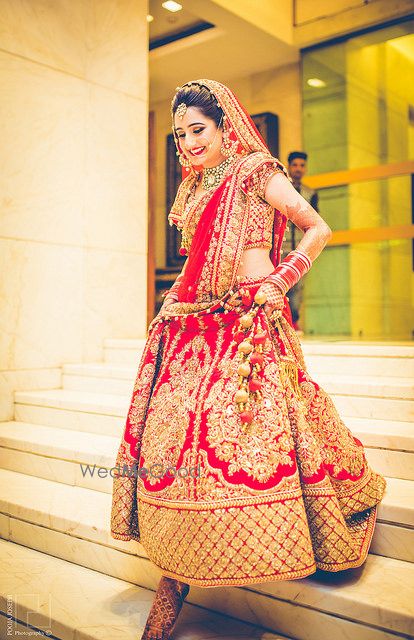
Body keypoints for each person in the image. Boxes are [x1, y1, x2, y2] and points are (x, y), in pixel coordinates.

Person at [110, 79, 386, 640]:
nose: (188, 143)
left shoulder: (256, 171)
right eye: (180, 134)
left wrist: (282, 279)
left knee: (250, 441)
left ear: (223, 126)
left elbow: (318, 228)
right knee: (172, 447)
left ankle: (269, 540)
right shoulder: (193, 188)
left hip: (250, 324)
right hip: (195, 324)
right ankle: (176, 570)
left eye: (198, 131)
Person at [284, 151, 319, 333]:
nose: (298, 169)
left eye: (302, 165)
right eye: (295, 165)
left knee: (298, 288)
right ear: (289, 166)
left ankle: (293, 322)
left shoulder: (310, 193)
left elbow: (315, 221)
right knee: (280, 283)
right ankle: (280, 322)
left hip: (301, 247)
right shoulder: (282, 187)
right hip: (280, 246)